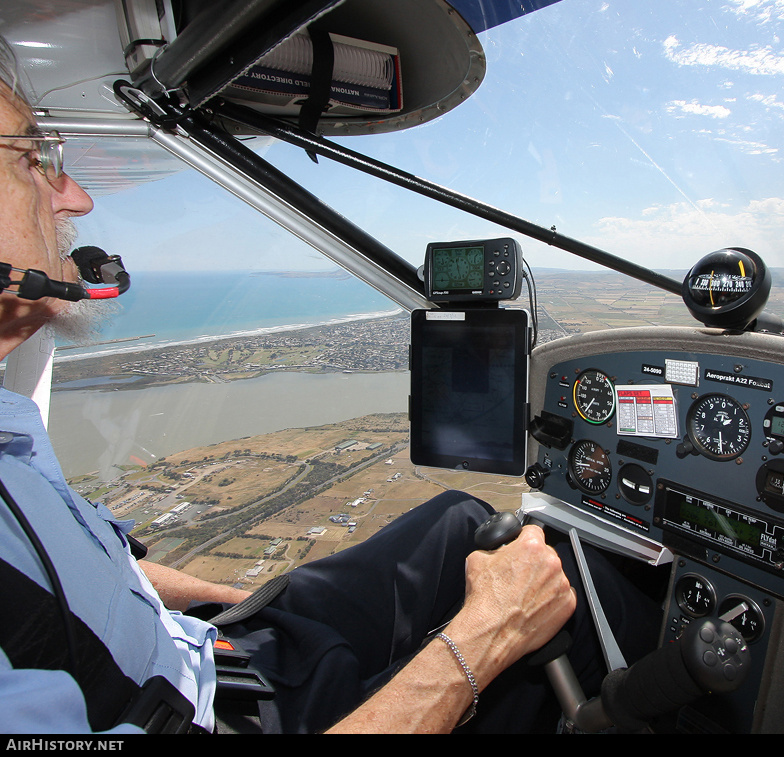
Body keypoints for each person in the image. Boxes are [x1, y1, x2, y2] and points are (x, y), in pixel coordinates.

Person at [0, 36, 657, 734]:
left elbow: (94, 585)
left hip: (216, 651)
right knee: (560, 599)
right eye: (33, 159)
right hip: (219, 716)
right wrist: (489, 633)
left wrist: (248, 600)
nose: (74, 195)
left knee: (464, 525)